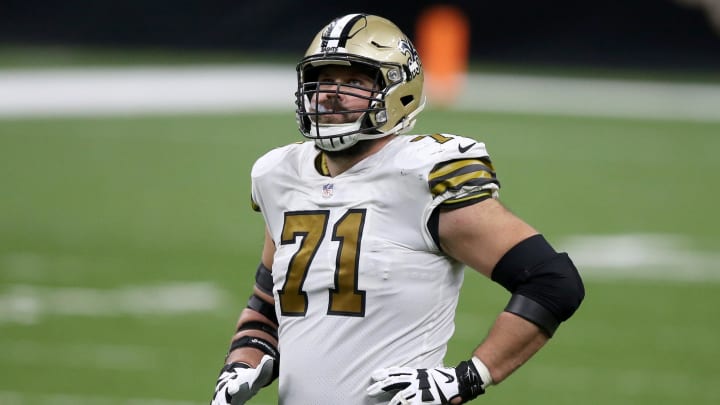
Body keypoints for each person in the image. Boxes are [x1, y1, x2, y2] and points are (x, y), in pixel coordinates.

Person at [209, 13, 585, 405]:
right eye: (323, 79)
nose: (330, 93)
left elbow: (552, 280)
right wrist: (242, 361)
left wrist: (470, 377)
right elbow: (267, 303)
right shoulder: (279, 176)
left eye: (353, 81)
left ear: (398, 92)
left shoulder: (423, 174)